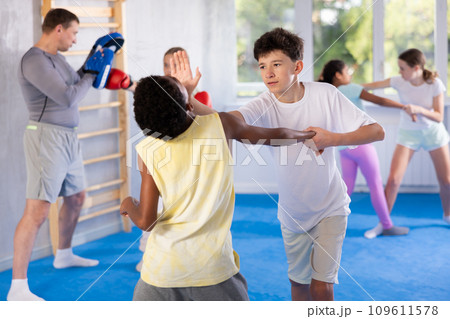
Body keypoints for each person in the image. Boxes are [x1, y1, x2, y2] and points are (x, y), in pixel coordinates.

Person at [176, 28, 385, 301]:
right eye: (262, 66)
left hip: (331, 207)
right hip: (292, 214)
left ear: (297, 66)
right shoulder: (263, 103)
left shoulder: (325, 94)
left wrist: (334, 138)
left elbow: (377, 131)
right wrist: (188, 98)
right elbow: (224, 120)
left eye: (276, 64)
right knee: (298, 285)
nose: (268, 73)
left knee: (322, 286)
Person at [120, 72, 315, 301]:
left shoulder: (148, 149)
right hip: (212, 271)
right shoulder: (221, 124)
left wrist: (128, 204)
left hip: (160, 274)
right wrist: (307, 134)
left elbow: (146, 221)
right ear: (190, 104)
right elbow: (276, 135)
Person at [7, 8, 117, 301]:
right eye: (74, 33)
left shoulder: (57, 59)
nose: (75, 39)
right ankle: (18, 288)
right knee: (38, 211)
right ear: (58, 29)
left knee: (77, 197)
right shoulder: (34, 60)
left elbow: (78, 81)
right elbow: (68, 96)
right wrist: (93, 70)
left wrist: (92, 59)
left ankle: (64, 254)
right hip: (46, 138)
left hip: (68, 138)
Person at [135, 47, 212, 273]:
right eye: (168, 65)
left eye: (177, 64)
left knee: (179, 210)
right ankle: (147, 252)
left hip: (185, 165)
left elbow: (212, 124)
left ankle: (183, 254)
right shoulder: (154, 90)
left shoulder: (198, 97)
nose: (172, 69)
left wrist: (189, 93)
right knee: (153, 205)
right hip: (158, 160)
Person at [318, 59, 410, 239]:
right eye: (347, 71)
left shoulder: (329, 93)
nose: (350, 75)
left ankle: (324, 225)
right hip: (361, 145)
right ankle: (387, 225)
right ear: (338, 75)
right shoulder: (349, 89)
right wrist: (404, 106)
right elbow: (381, 101)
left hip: (344, 147)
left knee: (345, 190)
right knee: (375, 185)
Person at [363, 48, 450, 236]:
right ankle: (384, 224)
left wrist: (418, 109)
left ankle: (448, 214)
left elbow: (439, 116)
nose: (400, 72)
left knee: (446, 182)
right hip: (408, 135)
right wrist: (345, 87)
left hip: (434, 134)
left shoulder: (435, 84)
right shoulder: (399, 81)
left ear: (416, 68)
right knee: (393, 181)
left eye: (403, 68)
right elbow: (370, 86)